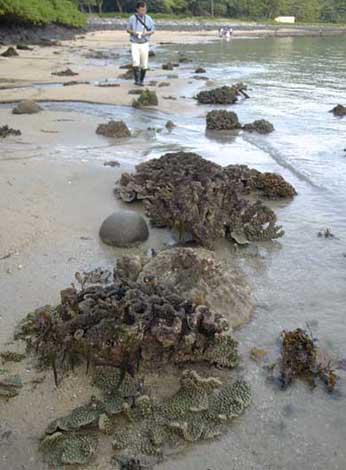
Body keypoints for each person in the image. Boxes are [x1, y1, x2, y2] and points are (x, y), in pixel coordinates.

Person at [127, 2, 155, 86]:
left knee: (144, 64)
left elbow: (152, 30)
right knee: (135, 61)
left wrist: (146, 33)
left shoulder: (149, 18)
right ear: (137, 9)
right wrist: (134, 32)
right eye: (142, 10)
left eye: (145, 10)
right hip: (134, 43)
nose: (143, 11)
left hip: (144, 43)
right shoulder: (132, 18)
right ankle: (137, 80)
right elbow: (128, 29)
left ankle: (141, 80)